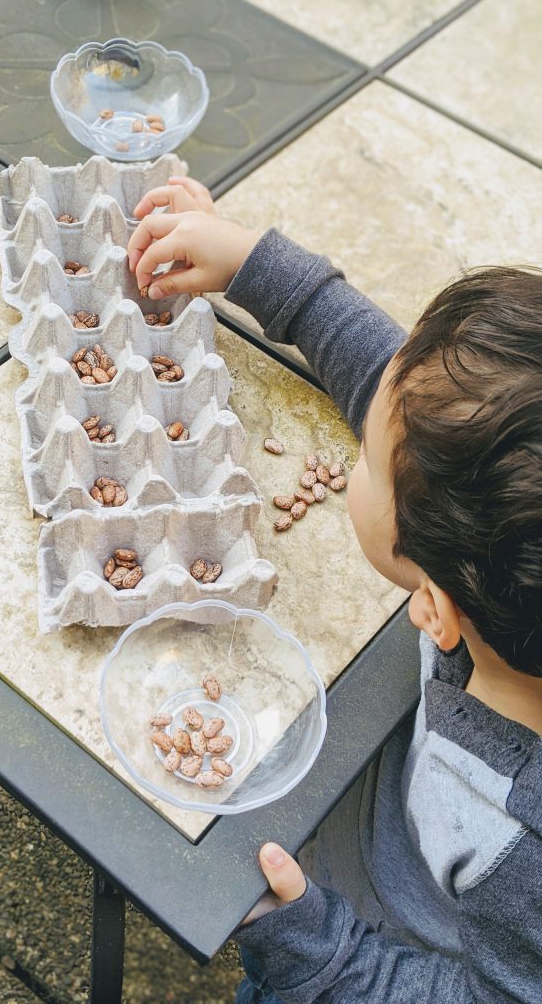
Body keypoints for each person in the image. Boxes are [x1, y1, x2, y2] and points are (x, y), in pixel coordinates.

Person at [127, 177, 542, 1003]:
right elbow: (414, 406)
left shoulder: (519, 848)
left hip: (387, 944)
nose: (359, 443)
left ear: (435, 610)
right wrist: (258, 268)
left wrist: (322, 957)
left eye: (364, 464)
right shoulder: (500, 588)